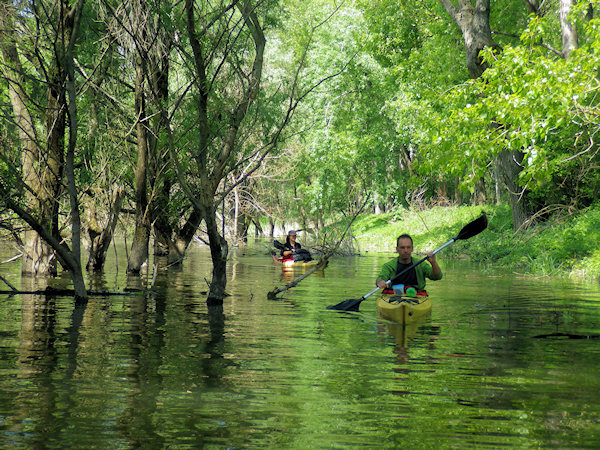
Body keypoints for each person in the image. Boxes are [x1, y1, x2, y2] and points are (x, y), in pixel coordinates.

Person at [376, 234, 442, 293]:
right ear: (397, 249)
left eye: (408, 247)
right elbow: (381, 278)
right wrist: (380, 282)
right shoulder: (389, 266)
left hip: (416, 295)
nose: (406, 251)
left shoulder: (420, 264)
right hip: (394, 294)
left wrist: (433, 263)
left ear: (412, 249)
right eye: (402, 247)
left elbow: (437, 277)